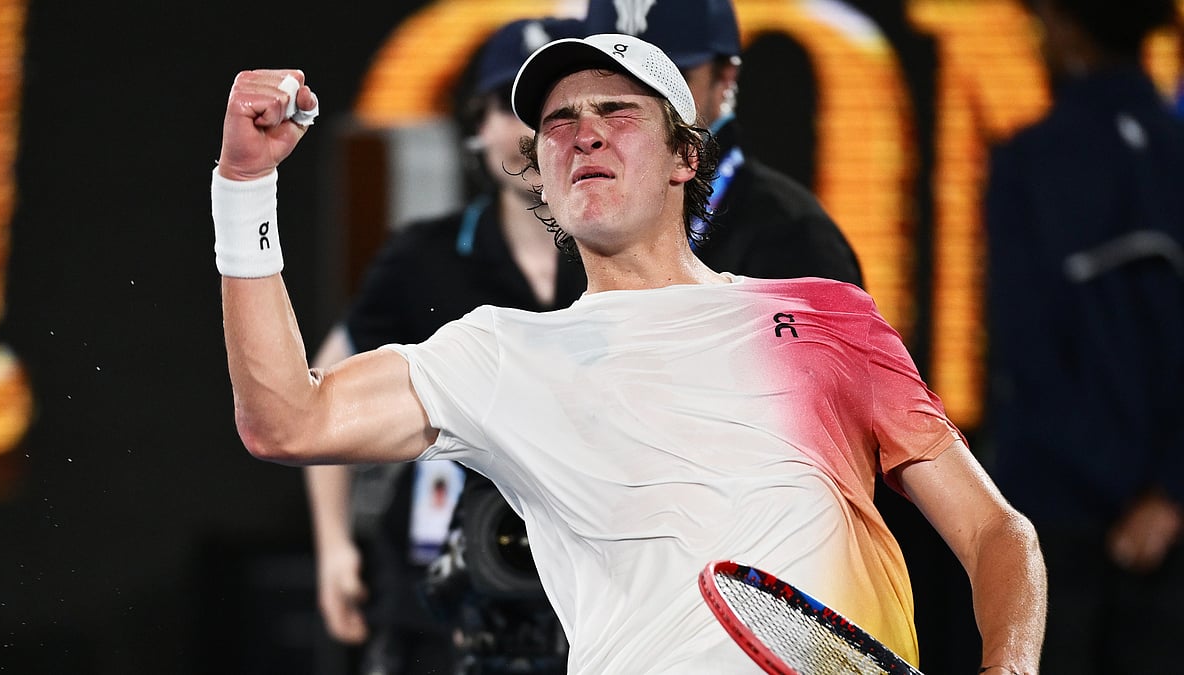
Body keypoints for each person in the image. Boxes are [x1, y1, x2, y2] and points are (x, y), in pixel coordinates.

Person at [212, 33, 1046, 673]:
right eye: (559, 124)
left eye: (618, 113)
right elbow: (288, 420)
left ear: (687, 157)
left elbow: (997, 535)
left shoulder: (826, 316)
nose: (584, 136)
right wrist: (244, 185)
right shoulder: (500, 353)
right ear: (537, 172)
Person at [301, 17, 588, 675]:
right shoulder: (423, 257)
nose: (531, 132)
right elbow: (321, 390)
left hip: (594, 595)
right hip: (438, 599)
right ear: (477, 127)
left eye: (554, 112)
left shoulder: (631, 257)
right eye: (509, 108)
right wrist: (334, 545)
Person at [984, 1, 1184, 673]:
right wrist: (1165, 494)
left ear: (1067, 29)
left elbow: (1028, 360)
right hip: (1165, 536)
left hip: (1056, 526)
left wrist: (1127, 492)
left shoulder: (1028, 164)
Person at [583, 0, 864, 288]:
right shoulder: (582, 218)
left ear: (726, 77)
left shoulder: (795, 238)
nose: (638, 106)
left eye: (670, 79)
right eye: (614, 82)